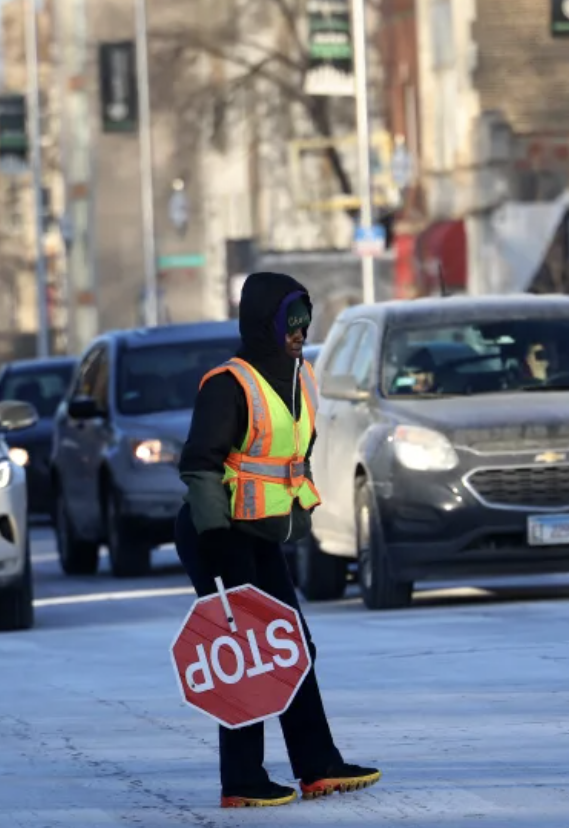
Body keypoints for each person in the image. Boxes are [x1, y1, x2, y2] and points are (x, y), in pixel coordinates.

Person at [176, 271, 380, 808]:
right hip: (216, 534)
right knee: (246, 653)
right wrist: (216, 534)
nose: (299, 332)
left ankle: (318, 766)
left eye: (304, 322)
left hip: (260, 534)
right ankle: (240, 780)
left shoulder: (299, 377)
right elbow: (199, 465)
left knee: (292, 647)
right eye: (290, 322)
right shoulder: (229, 383)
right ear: (263, 322)